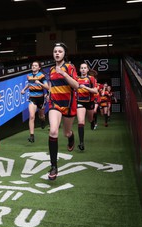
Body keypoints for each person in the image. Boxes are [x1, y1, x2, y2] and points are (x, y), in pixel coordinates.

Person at [47, 42, 79, 180]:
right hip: (54, 104)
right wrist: (49, 93)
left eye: (60, 51)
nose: (57, 53)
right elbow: (52, 85)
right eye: (55, 51)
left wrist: (64, 74)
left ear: (64, 54)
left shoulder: (70, 67)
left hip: (69, 104)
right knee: (53, 131)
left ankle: (71, 136)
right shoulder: (51, 70)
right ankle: (54, 166)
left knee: (66, 133)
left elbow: (77, 86)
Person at [21, 61, 49, 142]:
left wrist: (39, 83)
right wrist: (23, 89)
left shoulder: (41, 76)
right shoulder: (29, 76)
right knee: (32, 116)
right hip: (32, 98)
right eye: (32, 65)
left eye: (35, 65)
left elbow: (47, 87)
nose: (33, 66)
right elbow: (29, 84)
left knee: (41, 115)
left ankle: (43, 120)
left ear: (39, 68)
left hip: (40, 98)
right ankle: (32, 136)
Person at [76, 63, 99, 150]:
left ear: (87, 70)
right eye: (81, 68)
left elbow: (95, 91)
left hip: (90, 102)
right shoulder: (76, 79)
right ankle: (81, 143)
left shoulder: (91, 78)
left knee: (89, 119)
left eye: (85, 68)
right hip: (80, 102)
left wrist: (86, 88)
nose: (83, 69)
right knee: (81, 122)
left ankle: (92, 121)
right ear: (79, 70)